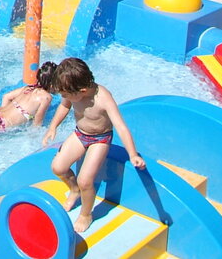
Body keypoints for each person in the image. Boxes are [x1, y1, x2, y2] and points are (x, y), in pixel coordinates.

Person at [42, 57, 146, 233]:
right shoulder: (71, 89)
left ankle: (86, 214)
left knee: (86, 180)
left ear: (81, 91)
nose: (63, 97)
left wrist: (133, 154)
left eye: (65, 95)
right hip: (80, 134)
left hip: (100, 139)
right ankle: (74, 191)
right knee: (58, 167)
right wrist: (53, 127)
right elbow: (64, 107)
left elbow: (120, 126)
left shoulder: (103, 98)